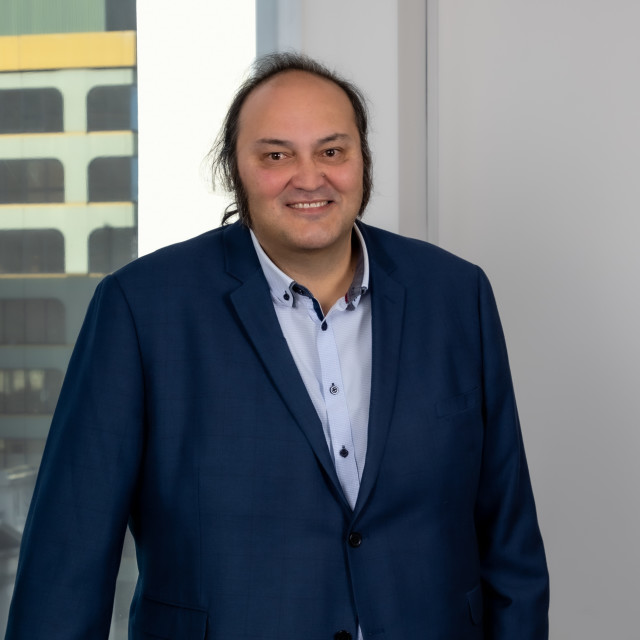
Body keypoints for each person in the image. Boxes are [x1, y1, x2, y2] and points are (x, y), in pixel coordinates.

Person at [5, 52, 549, 639]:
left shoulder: (456, 295)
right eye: (276, 155)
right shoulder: (141, 307)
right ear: (234, 170)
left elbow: (509, 537)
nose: (309, 178)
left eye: (332, 151)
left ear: (362, 160)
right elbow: (69, 557)